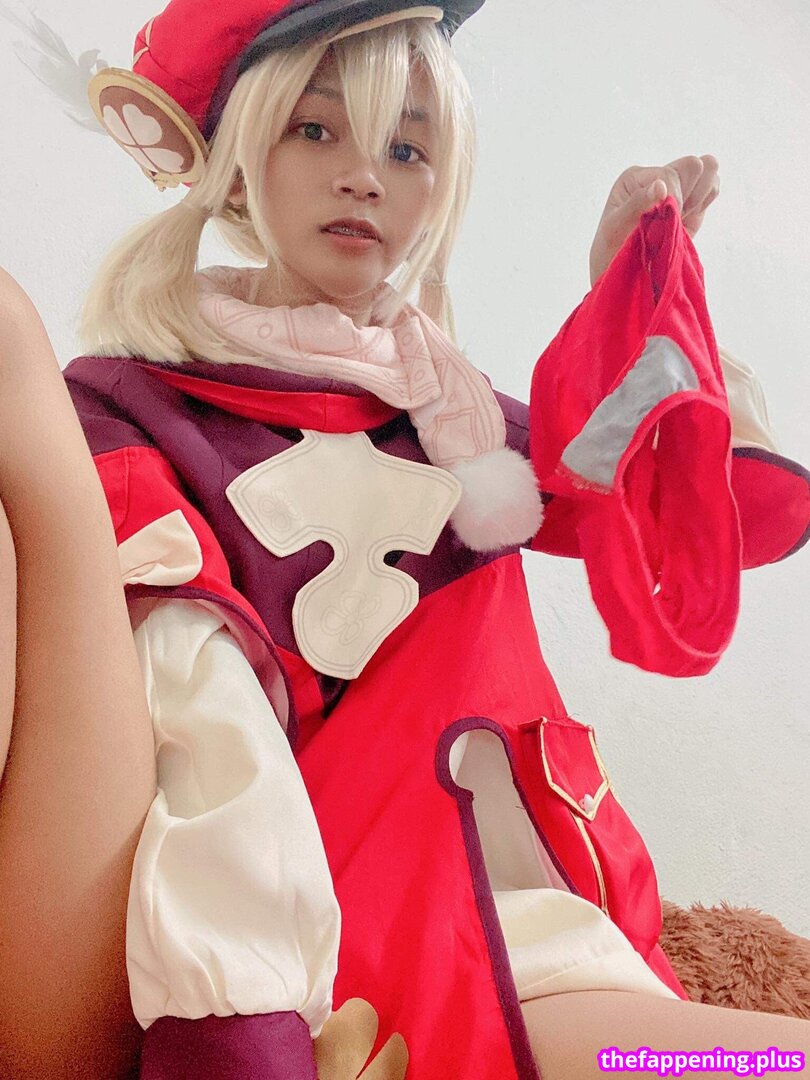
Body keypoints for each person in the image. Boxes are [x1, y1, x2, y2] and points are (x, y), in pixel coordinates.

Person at [0, 2, 808, 1078]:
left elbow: (671, 514)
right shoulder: (123, 409)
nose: (363, 177)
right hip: (288, 928)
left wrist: (627, 288)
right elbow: (191, 701)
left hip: (499, 909)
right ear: (238, 165)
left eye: (407, 147)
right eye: (315, 130)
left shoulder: (456, 415)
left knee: (745, 1065)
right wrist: (240, 1024)